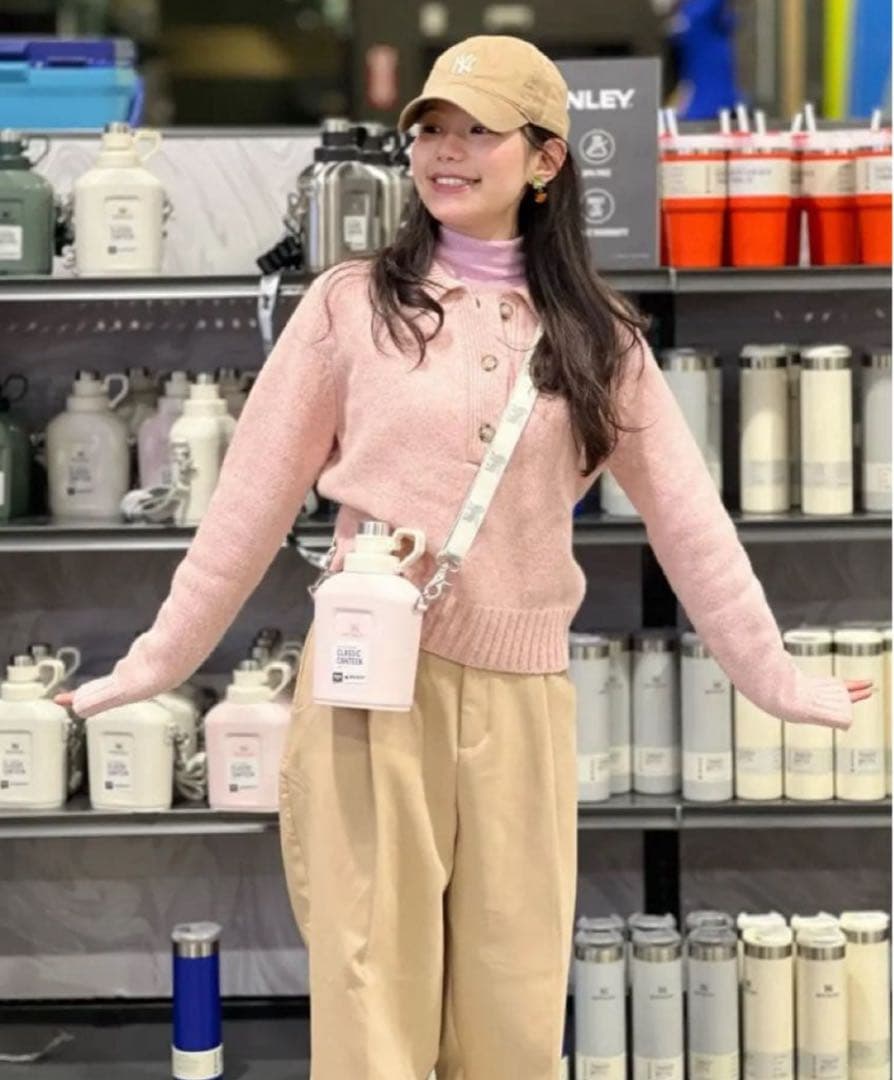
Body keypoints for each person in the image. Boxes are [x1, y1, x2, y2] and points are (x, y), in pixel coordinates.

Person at [60, 33, 873, 1080]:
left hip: (522, 702)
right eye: (430, 130)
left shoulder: (600, 337)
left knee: (512, 1003)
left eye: (477, 131)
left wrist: (772, 675)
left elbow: (692, 525)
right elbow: (243, 510)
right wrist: (156, 662)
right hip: (366, 694)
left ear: (545, 160)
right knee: (372, 997)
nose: (445, 151)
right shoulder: (351, 305)